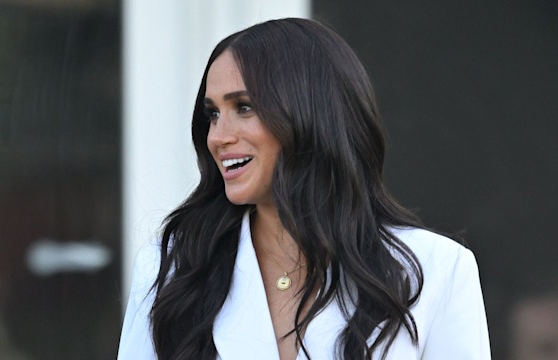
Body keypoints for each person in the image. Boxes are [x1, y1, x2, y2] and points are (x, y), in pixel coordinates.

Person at [117, 18, 490, 360]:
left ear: (311, 113)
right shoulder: (173, 268)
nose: (218, 136)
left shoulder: (435, 270)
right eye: (212, 113)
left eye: (244, 107)